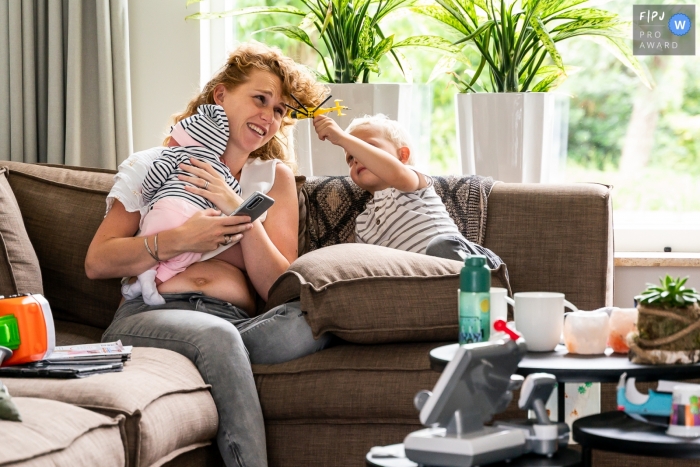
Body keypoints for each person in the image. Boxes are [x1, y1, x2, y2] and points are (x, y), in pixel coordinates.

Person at [85, 42, 331, 467]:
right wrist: (180, 239)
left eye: (280, 111)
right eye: (261, 99)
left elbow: (277, 287)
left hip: (239, 323)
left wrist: (239, 210)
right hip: (151, 314)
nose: (269, 118)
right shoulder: (156, 164)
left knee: (321, 320)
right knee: (216, 338)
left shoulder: (274, 180)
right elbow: (98, 262)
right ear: (221, 96)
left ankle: (219, 357)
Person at [312, 113, 506, 269]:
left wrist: (343, 139)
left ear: (402, 155)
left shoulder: (412, 179)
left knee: (441, 247)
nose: (356, 158)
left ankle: (489, 292)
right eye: (350, 157)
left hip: (466, 261)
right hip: (423, 282)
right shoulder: (363, 223)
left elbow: (396, 173)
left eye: (367, 148)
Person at [122, 104, 242, 306]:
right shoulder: (222, 170)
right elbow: (233, 194)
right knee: (186, 257)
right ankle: (150, 282)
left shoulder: (175, 154)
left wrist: (151, 198)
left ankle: (144, 279)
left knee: (150, 238)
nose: (170, 142)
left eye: (174, 138)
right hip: (196, 218)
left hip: (167, 209)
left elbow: (154, 178)